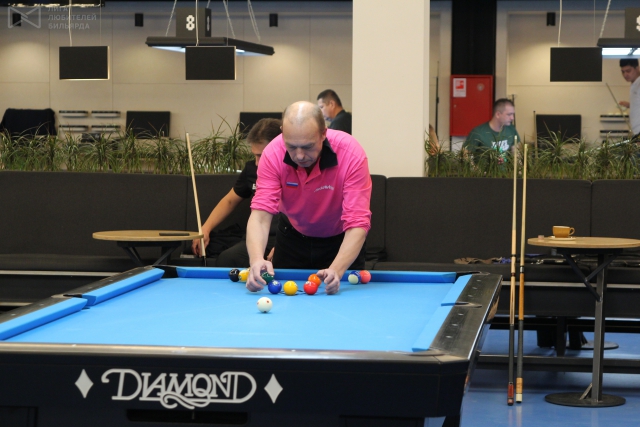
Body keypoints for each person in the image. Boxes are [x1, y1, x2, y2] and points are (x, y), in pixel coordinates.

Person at [245, 101, 371, 295]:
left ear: (323, 133)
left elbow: (357, 222)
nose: (300, 156)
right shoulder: (272, 154)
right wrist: (256, 260)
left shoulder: (351, 153)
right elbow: (260, 215)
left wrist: (336, 269)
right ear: (282, 133)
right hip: (292, 239)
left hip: (341, 242)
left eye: (308, 146)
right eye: (291, 146)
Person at [191, 118, 282, 267]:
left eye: (262, 155)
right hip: (259, 236)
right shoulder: (252, 169)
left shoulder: (295, 170)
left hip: (287, 238)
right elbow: (229, 201)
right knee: (227, 259)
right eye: (255, 155)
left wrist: (285, 245)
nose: (257, 162)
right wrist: (205, 229)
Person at [618, 58, 640, 141]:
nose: (625, 75)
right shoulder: (634, 84)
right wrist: (630, 105)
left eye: (628, 71)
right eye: (623, 72)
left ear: (637, 68)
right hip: (636, 132)